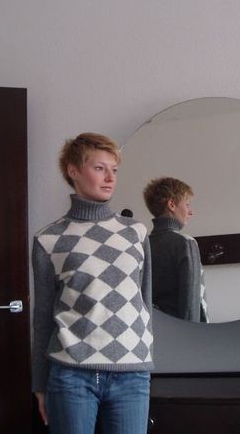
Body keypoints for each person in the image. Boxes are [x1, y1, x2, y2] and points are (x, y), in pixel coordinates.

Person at [32, 132, 154, 434]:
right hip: (71, 375)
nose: (110, 178)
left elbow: (144, 302)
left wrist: (144, 357)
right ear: (73, 171)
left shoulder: (136, 233)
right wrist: (39, 383)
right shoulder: (49, 239)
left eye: (114, 170)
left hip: (132, 374)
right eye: (100, 168)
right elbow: (43, 316)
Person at [143, 177, 208, 323]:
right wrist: (192, 331)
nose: (190, 212)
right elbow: (191, 302)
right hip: (184, 330)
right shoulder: (186, 243)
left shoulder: (143, 244)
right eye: (187, 204)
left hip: (154, 327)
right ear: (172, 204)